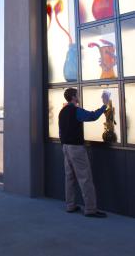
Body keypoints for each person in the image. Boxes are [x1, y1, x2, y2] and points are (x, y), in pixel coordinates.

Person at [58, 87, 109, 218]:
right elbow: (92, 116)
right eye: (77, 94)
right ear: (74, 97)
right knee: (85, 178)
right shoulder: (76, 111)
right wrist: (104, 105)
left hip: (65, 148)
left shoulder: (62, 112)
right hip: (76, 149)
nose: (79, 96)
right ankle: (90, 209)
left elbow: (61, 132)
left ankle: (70, 205)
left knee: (69, 178)